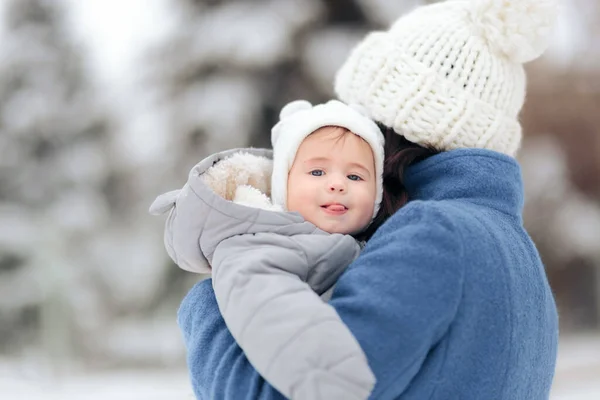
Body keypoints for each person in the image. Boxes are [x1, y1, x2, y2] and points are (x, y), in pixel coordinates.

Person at [176, 0, 560, 398]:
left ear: (391, 128)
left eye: (362, 122)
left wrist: (214, 296)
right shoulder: (521, 256)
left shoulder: (433, 237)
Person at [150, 99, 387, 399]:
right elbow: (269, 304)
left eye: (355, 176)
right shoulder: (257, 242)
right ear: (283, 184)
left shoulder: (368, 241)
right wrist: (327, 376)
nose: (337, 184)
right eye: (317, 172)